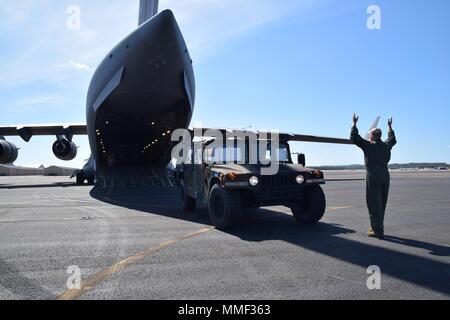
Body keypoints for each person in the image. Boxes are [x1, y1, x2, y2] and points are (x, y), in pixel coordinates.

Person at [350, 114, 397, 239]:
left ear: (373, 136)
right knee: (382, 203)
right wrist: (390, 127)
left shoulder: (369, 146)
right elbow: (392, 139)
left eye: (371, 134)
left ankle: (377, 230)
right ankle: (378, 226)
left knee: (374, 203)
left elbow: (354, 138)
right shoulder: (386, 146)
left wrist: (354, 123)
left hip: (374, 176)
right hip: (385, 176)